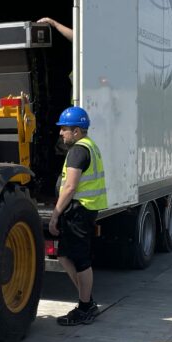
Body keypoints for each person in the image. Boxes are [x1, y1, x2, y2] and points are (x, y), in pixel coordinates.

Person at [48, 106, 108, 326]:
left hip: (79, 211)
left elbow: (70, 186)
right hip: (81, 210)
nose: (61, 133)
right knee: (64, 255)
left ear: (77, 131)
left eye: (64, 129)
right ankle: (87, 300)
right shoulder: (89, 147)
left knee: (81, 260)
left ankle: (85, 308)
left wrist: (55, 214)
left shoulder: (78, 151)